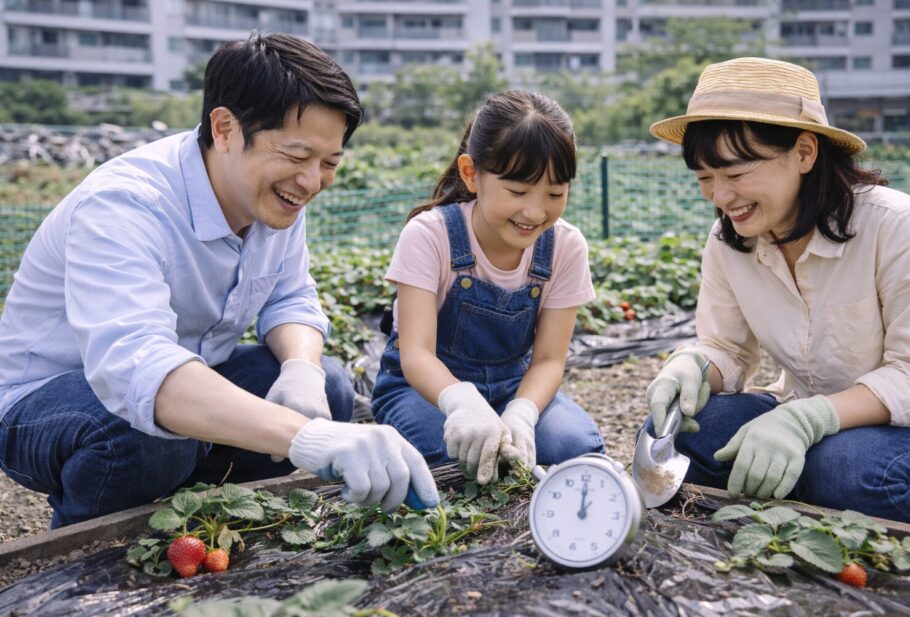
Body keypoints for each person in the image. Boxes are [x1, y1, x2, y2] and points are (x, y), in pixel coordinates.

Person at [0, 33, 439, 528]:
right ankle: (81, 551)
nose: (312, 181)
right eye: (297, 157)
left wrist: (300, 371)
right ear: (226, 127)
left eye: (329, 163)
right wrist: (305, 438)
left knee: (330, 386)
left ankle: (209, 524)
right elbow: (138, 372)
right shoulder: (124, 204)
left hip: (190, 385)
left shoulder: (271, 200)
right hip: (49, 406)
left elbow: (290, 296)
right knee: (145, 436)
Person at [644, 57, 910, 528]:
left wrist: (803, 422)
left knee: (842, 467)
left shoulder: (897, 228)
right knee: (681, 433)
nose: (720, 197)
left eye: (736, 174)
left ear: (805, 152)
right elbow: (726, 349)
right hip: (818, 420)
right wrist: (692, 366)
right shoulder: (730, 240)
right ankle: (817, 491)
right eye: (705, 178)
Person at [371, 90, 605, 485]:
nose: (534, 211)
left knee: (574, 450)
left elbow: (548, 359)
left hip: (512, 389)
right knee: (451, 461)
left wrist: (523, 413)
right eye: (517, 191)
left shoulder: (564, 246)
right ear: (470, 174)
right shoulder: (431, 235)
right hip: (426, 390)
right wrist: (460, 402)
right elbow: (415, 355)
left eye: (554, 193)